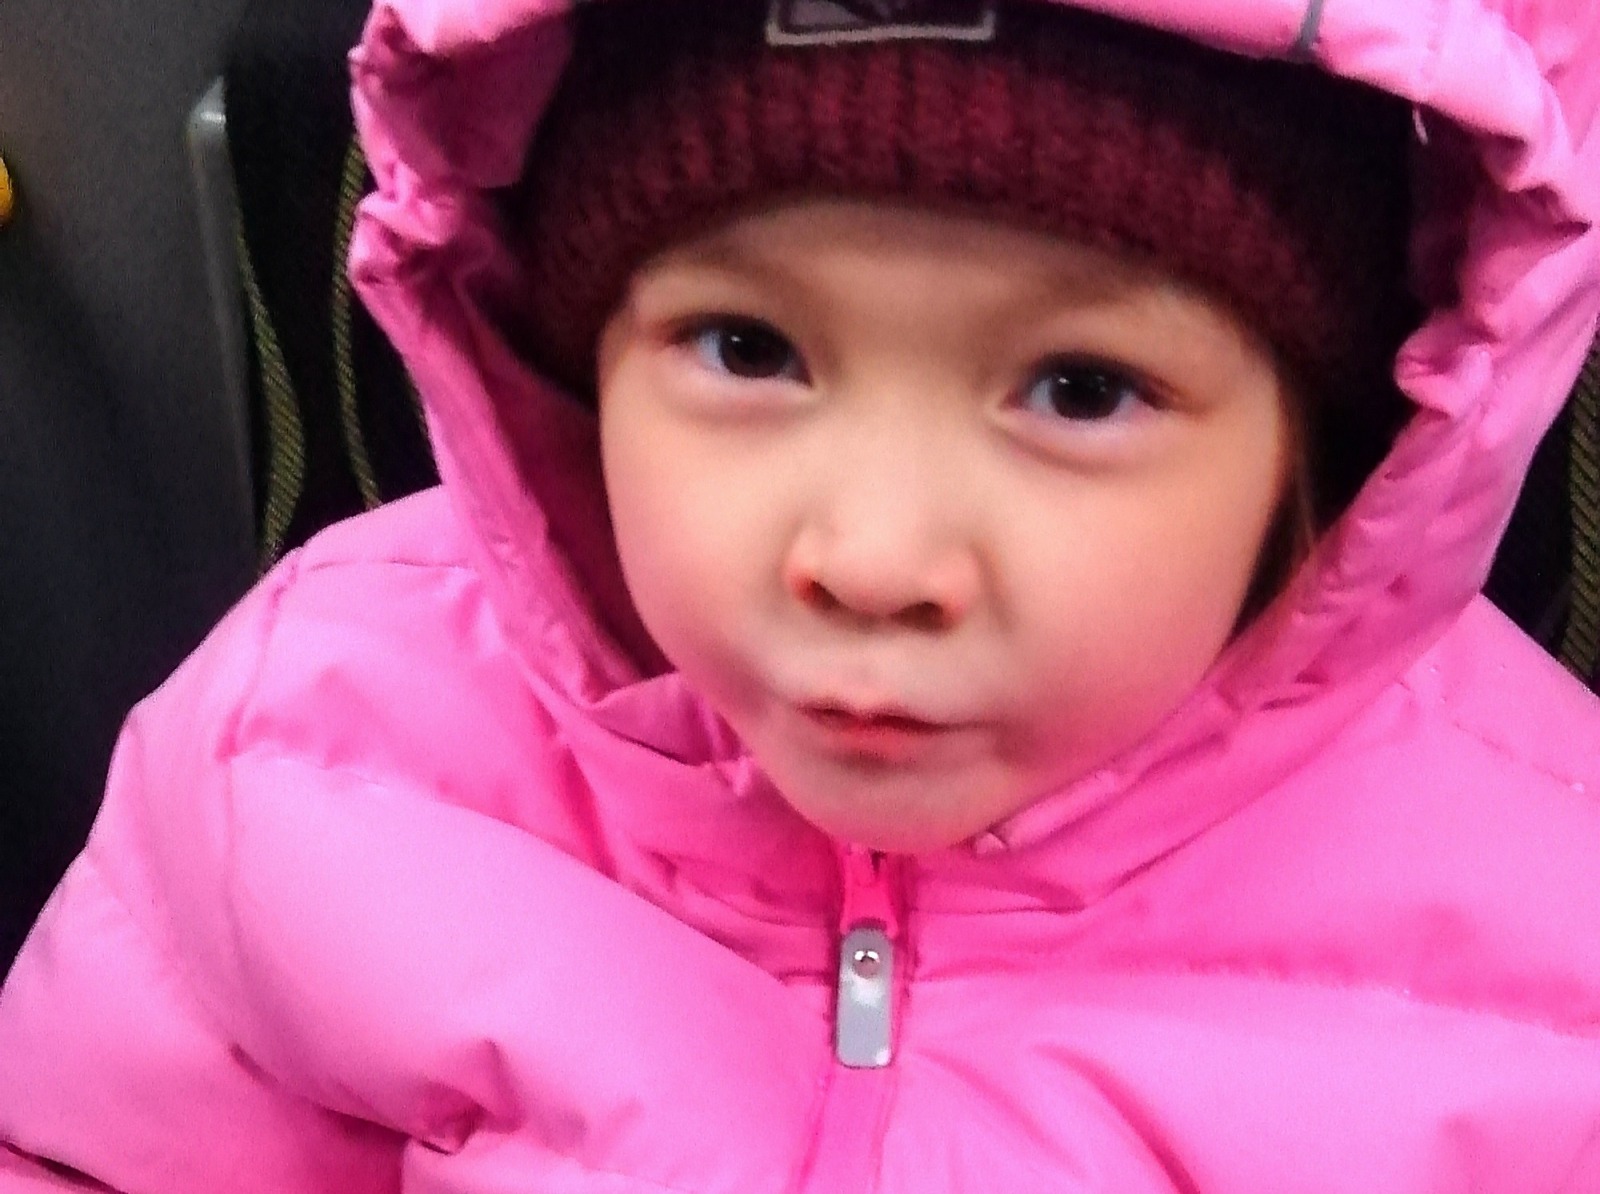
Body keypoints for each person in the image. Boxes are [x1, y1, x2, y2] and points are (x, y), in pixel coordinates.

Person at [3, 0, 1600, 1188]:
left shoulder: (1546, 914)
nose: (873, 558)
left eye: (1081, 388)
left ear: (1319, 446)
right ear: (582, 358)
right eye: (748, 349)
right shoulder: (304, 746)